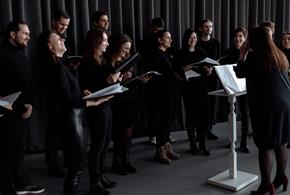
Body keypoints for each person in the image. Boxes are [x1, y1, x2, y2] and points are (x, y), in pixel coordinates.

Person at [37, 30, 112, 195]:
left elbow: (72, 93)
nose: (63, 39)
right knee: (76, 167)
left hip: (76, 119)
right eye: (58, 38)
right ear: (49, 46)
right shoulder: (56, 68)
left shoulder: (61, 66)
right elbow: (68, 101)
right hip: (71, 121)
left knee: (77, 166)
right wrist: (94, 100)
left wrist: (76, 78)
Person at [234, 27, 290, 195]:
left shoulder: (254, 56)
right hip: (286, 103)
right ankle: (281, 177)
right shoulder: (278, 54)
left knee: (265, 146)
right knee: (281, 142)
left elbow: (239, 72)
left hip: (267, 106)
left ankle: (266, 185)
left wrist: (242, 54)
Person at [0, 20, 45, 195]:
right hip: (7, 111)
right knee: (6, 151)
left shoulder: (20, 54)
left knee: (18, 149)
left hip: (21, 112)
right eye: (25, 33)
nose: (28, 36)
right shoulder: (2, 54)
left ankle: (21, 183)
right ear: (13, 34)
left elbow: (26, 83)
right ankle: (7, 187)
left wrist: (30, 104)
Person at [79, 29, 121, 195]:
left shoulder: (102, 60)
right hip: (97, 109)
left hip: (107, 106)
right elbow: (89, 88)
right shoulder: (88, 62)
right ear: (96, 41)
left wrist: (114, 81)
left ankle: (101, 175)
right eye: (104, 40)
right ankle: (94, 182)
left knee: (104, 144)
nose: (108, 43)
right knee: (97, 145)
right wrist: (108, 80)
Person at [106, 34, 148, 175]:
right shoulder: (109, 61)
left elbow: (131, 83)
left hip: (130, 99)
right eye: (124, 48)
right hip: (118, 101)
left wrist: (139, 80)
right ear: (117, 47)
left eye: (128, 49)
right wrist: (121, 78)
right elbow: (107, 84)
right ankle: (117, 163)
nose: (126, 52)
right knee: (120, 133)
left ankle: (126, 160)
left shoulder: (128, 61)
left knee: (129, 133)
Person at [145, 29, 180, 164]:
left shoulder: (167, 54)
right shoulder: (156, 55)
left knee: (168, 120)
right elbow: (155, 76)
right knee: (163, 121)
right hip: (161, 93)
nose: (171, 40)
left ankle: (166, 146)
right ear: (160, 40)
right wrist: (172, 75)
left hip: (170, 92)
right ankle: (160, 150)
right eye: (168, 38)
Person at [44, 9, 71, 178]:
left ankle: (67, 160)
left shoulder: (63, 39)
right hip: (53, 91)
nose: (63, 28)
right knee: (53, 131)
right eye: (61, 24)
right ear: (54, 21)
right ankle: (52, 164)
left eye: (66, 26)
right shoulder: (45, 38)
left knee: (65, 128)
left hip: (63, 89)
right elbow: (46, 66)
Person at [176, 29, 211, 156]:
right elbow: (176, 73)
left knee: (204, 115)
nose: (193, 40)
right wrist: (183, 69)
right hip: (188, 88)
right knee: (191, 115)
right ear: (186, 39)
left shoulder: (201, 52)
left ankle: (203, 142)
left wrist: (209, 70)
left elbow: (207, 69)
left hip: (202, 86)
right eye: (191, 38)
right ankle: (193, 143)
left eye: (195, 38)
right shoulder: (180, 54)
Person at [221, 27, 251, 153]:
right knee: (231, 113)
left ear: (245, 38)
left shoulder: (249, 52)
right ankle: (231, 140)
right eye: (236, 36)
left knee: (245, 114)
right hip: (231, 86)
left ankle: (244, 142)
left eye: (240, 36)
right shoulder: (228, 52)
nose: (238, 39)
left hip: (245, 86)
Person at [196, 19, 221, 140]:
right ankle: (200, 131)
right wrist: (204, 68)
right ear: (200, 29)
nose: (209, 29)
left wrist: (212, 69)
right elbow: (195, 60)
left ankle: (209, 130)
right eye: (206, 27)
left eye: (210, 26)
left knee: (212, 105)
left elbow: (219, 60)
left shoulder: (216, 43)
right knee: (201, 104)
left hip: (213, 77)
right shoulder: (197, 43)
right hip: (200, 78)